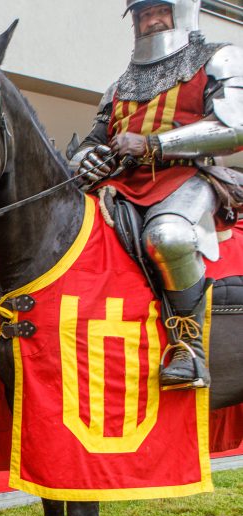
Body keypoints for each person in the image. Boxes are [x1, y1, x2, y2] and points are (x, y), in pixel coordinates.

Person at [70, 0, 243, 389]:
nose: (150, 20)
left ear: (181, 10)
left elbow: (235, 128)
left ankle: (189, 347)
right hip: (118, 185)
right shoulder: (121, 84)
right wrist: (87, 160)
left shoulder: (218, 58)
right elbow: (93, 140)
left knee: (169, 237)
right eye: (142, 14)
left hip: (183, 178)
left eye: (158, 10)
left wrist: (152, 144)